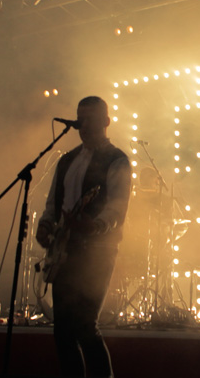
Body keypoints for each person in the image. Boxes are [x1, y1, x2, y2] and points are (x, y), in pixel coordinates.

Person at [36, 96, 131, 378]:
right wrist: (45, 225)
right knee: (63, 330)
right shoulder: (67, 160)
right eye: (80, 118)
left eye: (90, 119)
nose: (83, 125)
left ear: (106, 121)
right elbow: (53, 204)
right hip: (64, 252)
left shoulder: (117, 160)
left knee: (85, 325)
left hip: (97, 252)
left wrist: (95, 226)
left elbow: (117, 208)